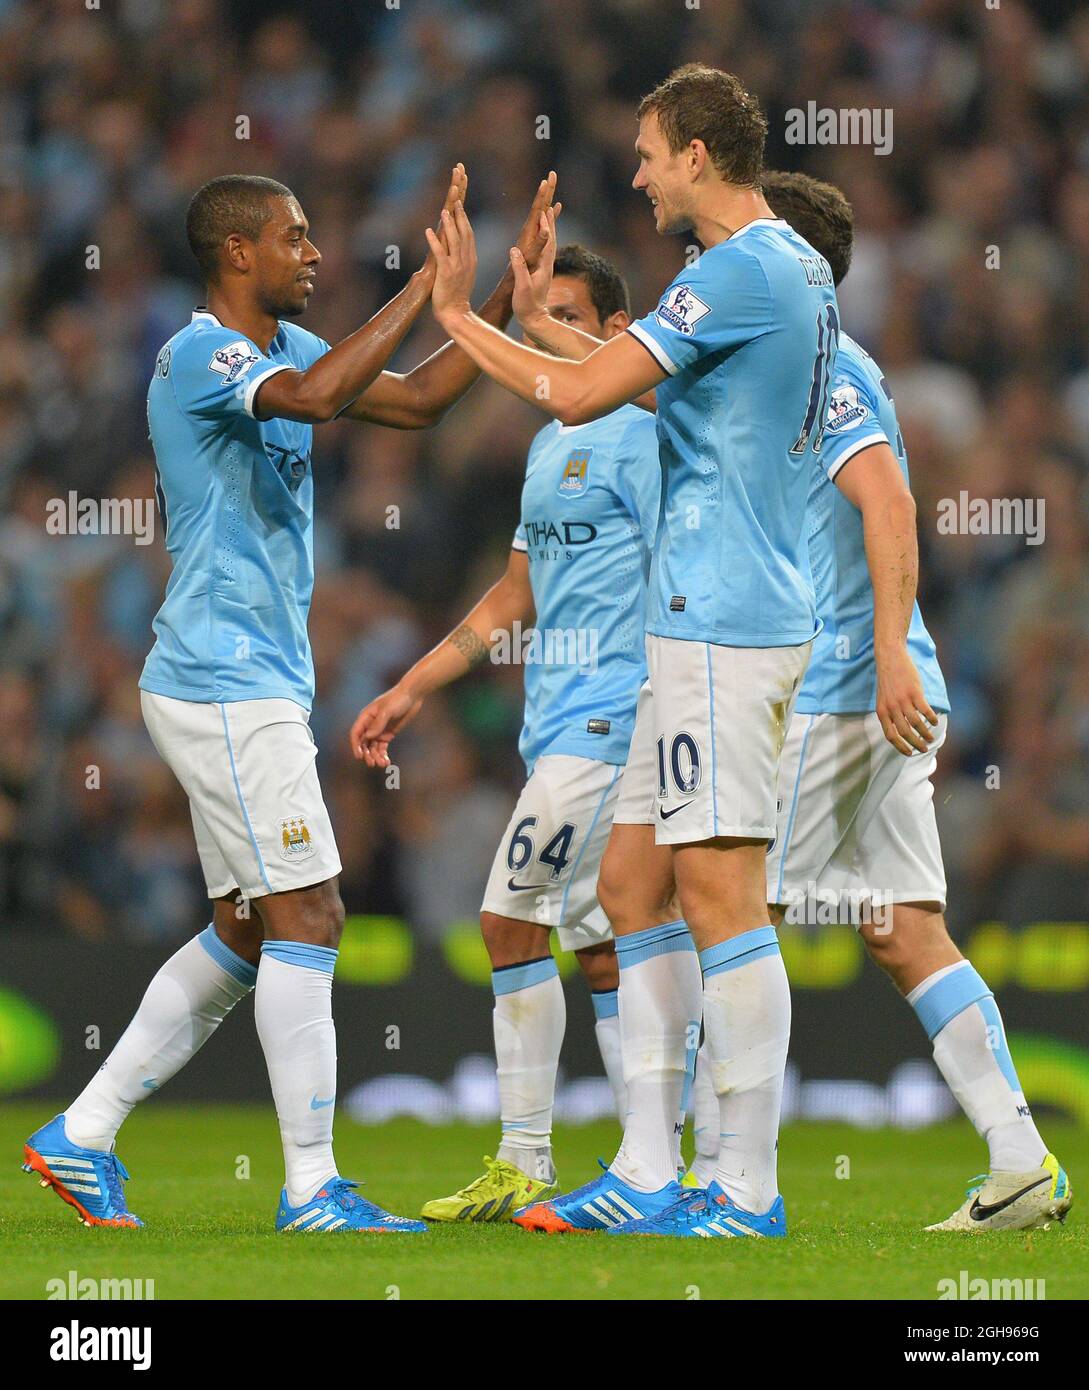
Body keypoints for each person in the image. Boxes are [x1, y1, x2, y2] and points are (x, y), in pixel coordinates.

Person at [22, 167, 559, 1235]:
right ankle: (314, 1187)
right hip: (223, 680)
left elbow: (411, 399)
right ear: (236, 252)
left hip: (249, 681)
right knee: (312, 910)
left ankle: (81, 1133)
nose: (314, 253)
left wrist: (487, 297)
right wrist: (421, 289)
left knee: (249, 926)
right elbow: (317, 404)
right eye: (295, 236)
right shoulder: (200, 356)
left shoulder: (288, 350)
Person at [421, 65, 840, 1236]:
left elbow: (581, 394)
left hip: (726, 619)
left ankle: (742, 1187)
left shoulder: (743, 268)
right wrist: (536, 321)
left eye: (651, 152)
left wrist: (463, 322)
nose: (641, 173)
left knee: (719, 893)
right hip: (699, 626)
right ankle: (649, 1170)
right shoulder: (780, 272)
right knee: (628, 884)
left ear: (699, 154)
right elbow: (667, 397)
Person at [678, 170, 1071, 1235]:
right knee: (902, 930)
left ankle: (724, 1181)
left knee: (728, 904)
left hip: (846, 689)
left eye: (732, 242)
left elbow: (890, 501)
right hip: (865, 685)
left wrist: (892, 650)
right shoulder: (781, 370)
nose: (710, 259)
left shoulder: (829, 371)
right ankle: (1022, 1160)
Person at [350, 244, 662, 1221]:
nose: (543, 334)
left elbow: (686, 575)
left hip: (616, 717)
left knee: (506, 914)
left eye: (563, 316)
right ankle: (651, 1164)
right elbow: (513, 597)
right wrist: (417, 683)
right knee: (598, 942)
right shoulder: (549, 445)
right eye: (536, 315)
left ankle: (527, 1156)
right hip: (555, 717)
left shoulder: (646, 439)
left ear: (617, 333)